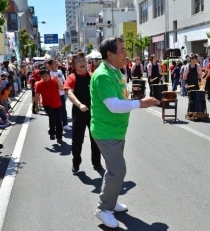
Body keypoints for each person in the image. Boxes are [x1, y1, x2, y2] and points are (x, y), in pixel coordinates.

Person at [90, 37, 160, 228]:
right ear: (109, 54)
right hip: (106, 131)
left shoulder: (116, 71)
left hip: (117, 130)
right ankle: (103, 208)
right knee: (118, 169)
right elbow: (113, 105)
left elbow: (122, 97)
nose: (125, 53)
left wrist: (137, 100)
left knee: (114, 170)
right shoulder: (103, 75)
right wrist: (140, 103)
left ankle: (111, 202)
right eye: (121, 50)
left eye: (124, 49)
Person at [64, 52, 102, 173]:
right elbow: (69, 93)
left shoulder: (92, 76)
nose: (82, 63)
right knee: (77, 140)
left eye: (83, 60)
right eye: (79, 61)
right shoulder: (72, 77)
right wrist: (79, 104)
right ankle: (76, 162)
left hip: (93, 113)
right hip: (79, 113)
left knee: (95, 139)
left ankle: (97, 163)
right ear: (74, 65)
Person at [35, 66, 64, 143]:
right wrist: (36, 106)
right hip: (47, 104)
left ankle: (59, 137)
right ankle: (52, 132)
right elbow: (37, 95)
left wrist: (57, 81)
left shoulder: (54, 80)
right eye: (42, 76)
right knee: (52, 117)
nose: (44, 78)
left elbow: (61, 89)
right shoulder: (39, 84)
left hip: (57, 103)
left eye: (45, 76)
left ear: (49, 74)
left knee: (58, 120)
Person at [48, 59, 71, 131]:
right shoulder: (49, 74)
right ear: (50, 65)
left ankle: (65, 124)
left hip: (61, 94)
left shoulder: (60, 71)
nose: (56, 63)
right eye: (54, 63)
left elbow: (64, 81)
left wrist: (66, 91)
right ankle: (54, 125)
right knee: (54, 111)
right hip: (54, 95)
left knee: (63, 110)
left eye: (56, 62)